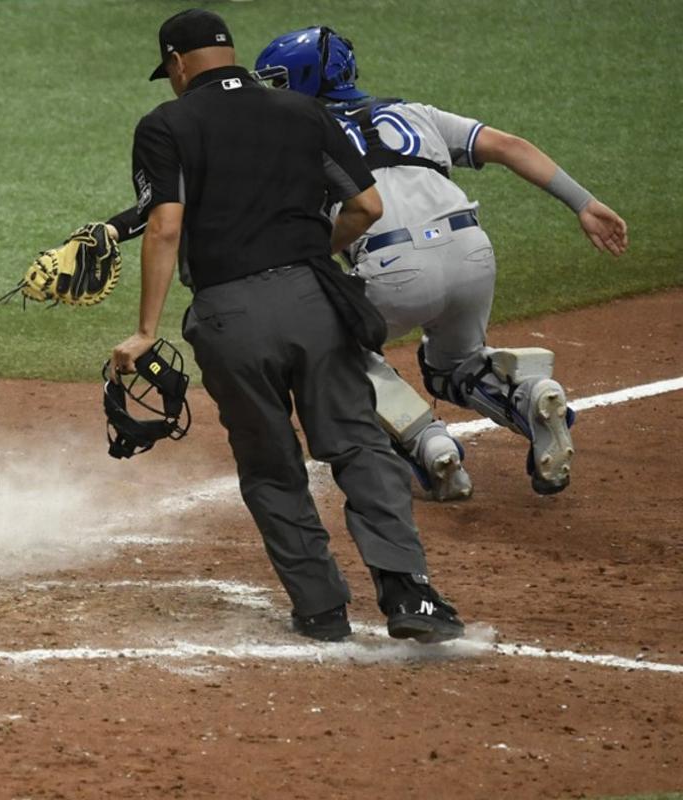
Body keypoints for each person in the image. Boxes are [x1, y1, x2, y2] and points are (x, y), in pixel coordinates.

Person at [110, 9, 464, 643]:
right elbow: (366, 205)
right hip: (314, 303)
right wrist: (310, 254)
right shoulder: (302, 111)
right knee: (358, 445)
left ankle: (321, 611)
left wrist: (143, 330)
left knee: (272, 465)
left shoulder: (166, 124)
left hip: (230, 317)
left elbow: (164, 224)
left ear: (178, 63)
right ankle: (410, 593)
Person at [253, 26, 629, 498]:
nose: (271, 93)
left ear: (306, 79)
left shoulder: (295, 137)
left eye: (279, 81)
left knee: (326, 353)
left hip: (392, 267)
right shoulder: (415, 113)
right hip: (471, 251)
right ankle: (529, 395)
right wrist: (583, 204)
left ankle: (427, 443)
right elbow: (509, 146)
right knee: (454, 366)